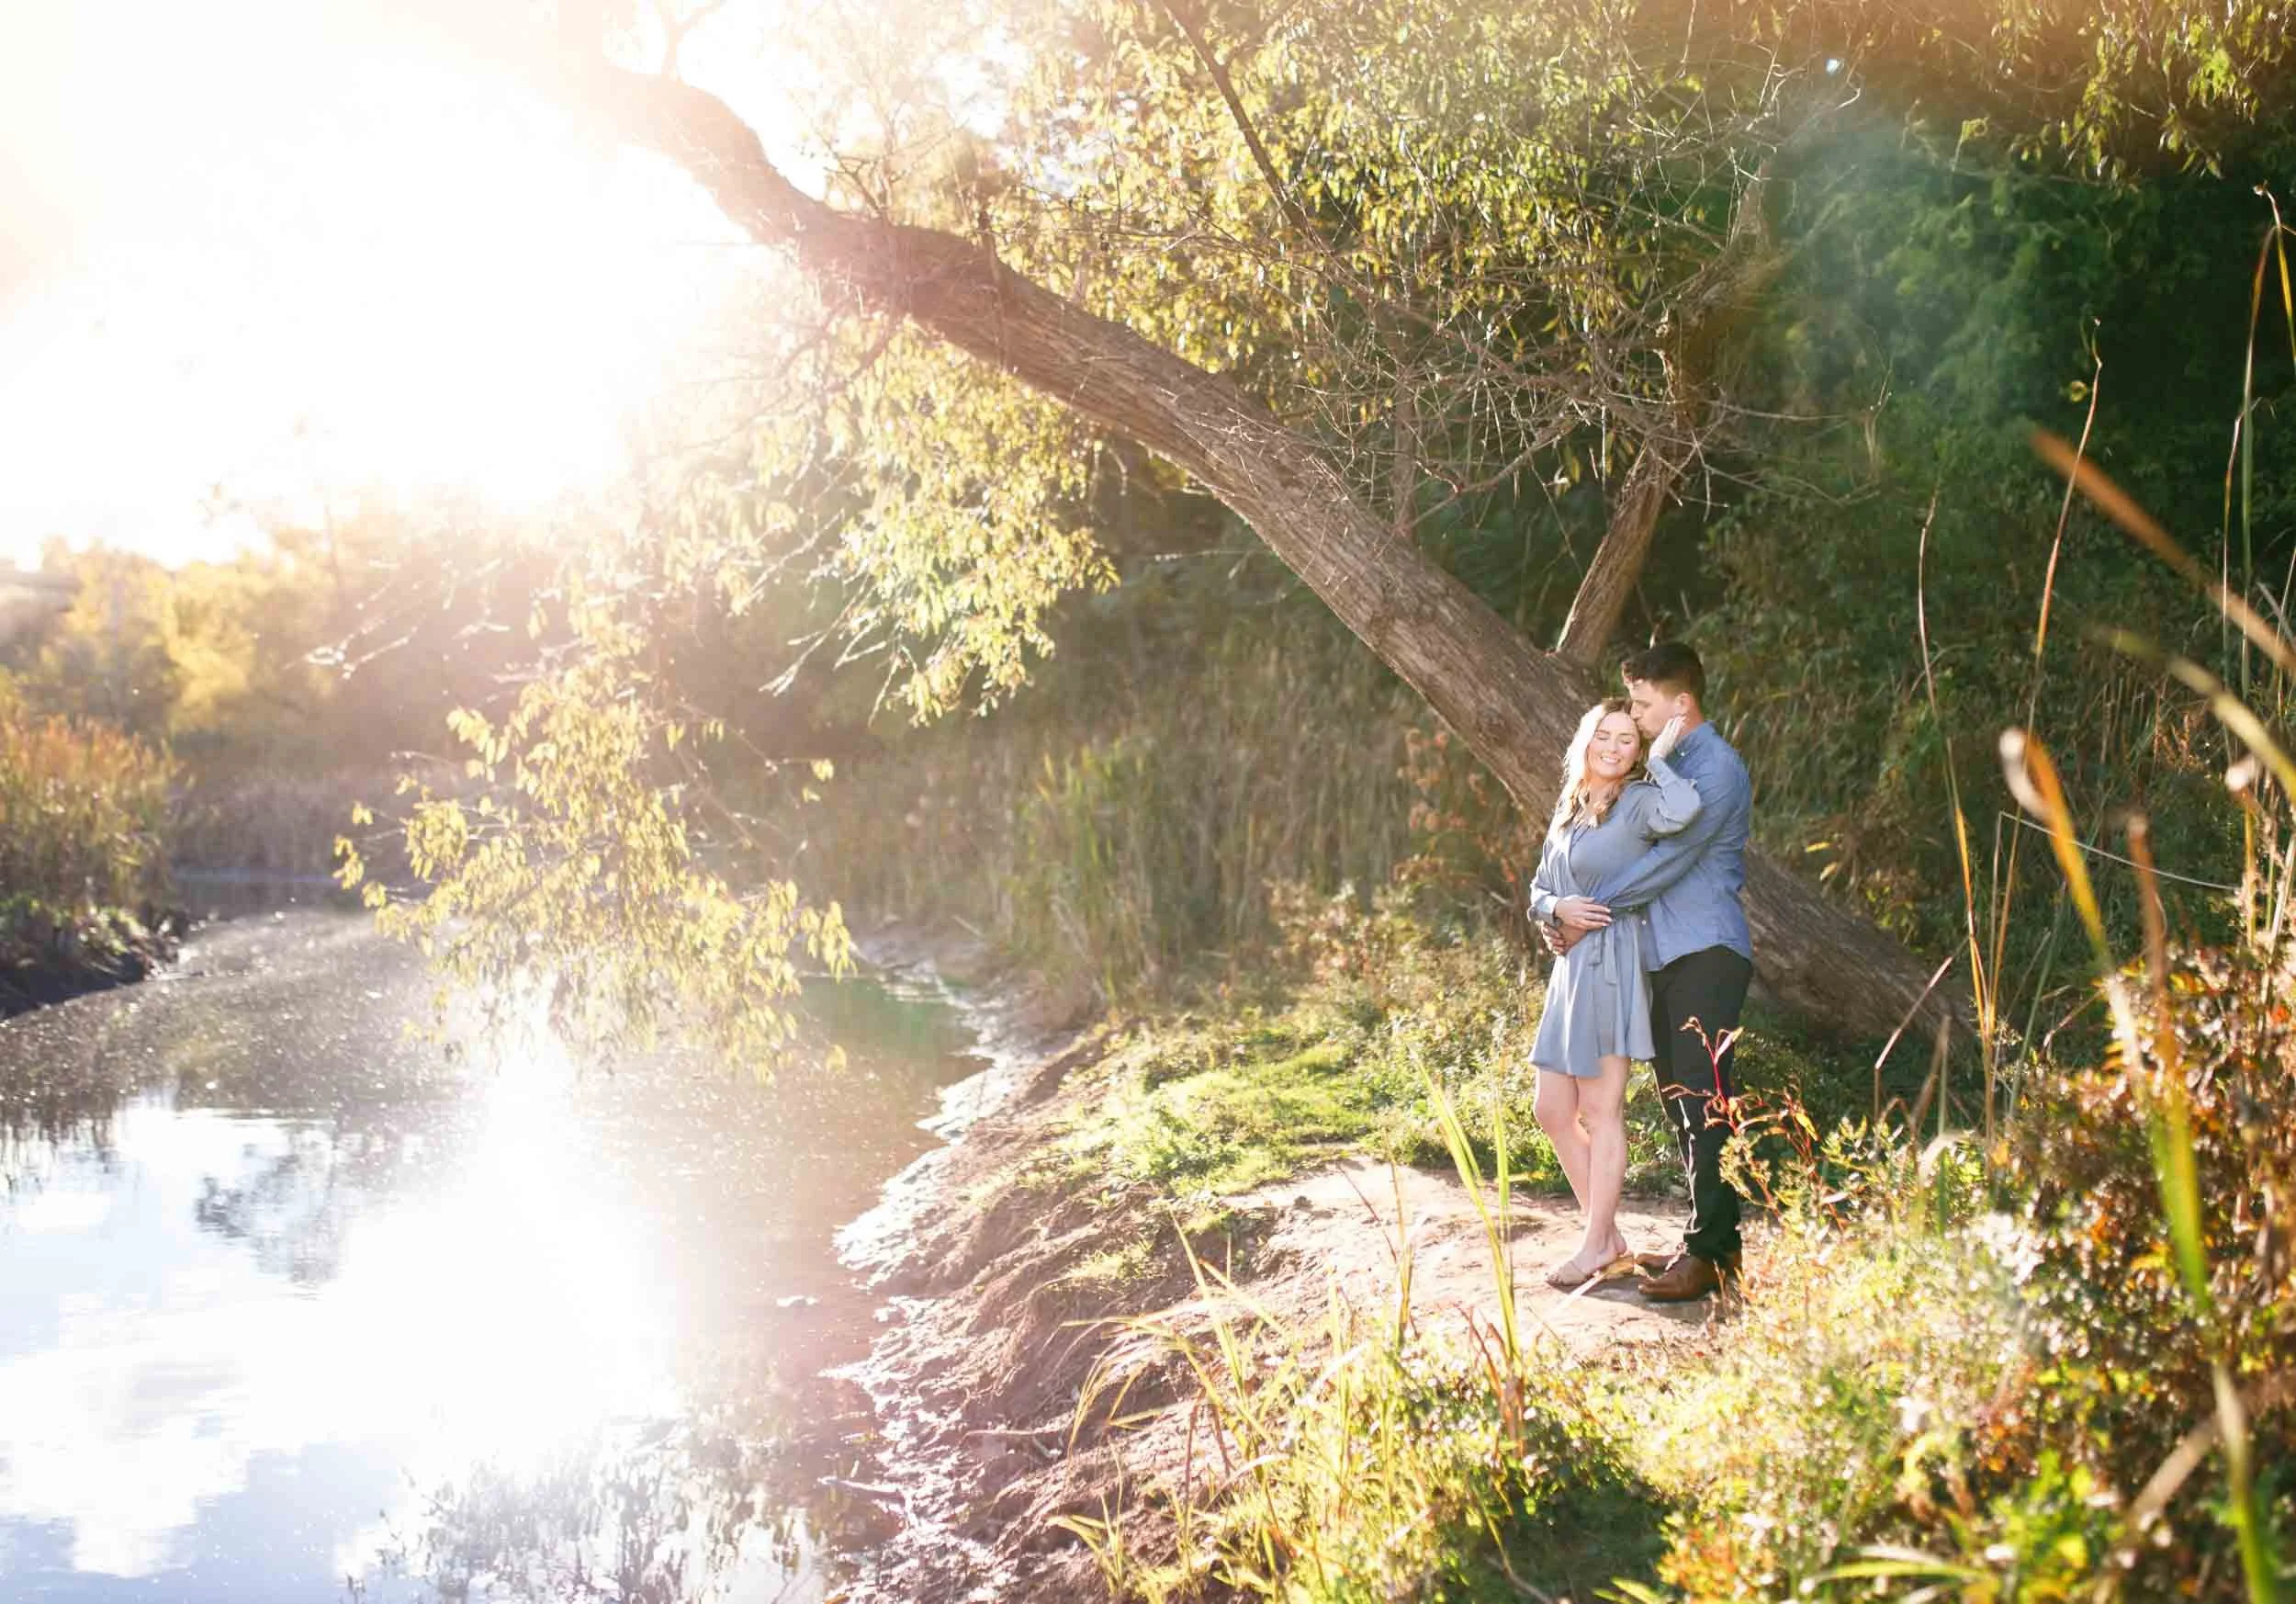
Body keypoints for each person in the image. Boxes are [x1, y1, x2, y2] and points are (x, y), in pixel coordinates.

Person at [1541, 643, 1752, 1304]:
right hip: (1657, 956)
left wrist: (1587, 916)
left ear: (1680, 705)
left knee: (1703, 1098)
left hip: (1705, 951)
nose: (1632, 714)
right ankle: (1705, 1243)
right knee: (1681, 1102)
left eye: (1642, 703)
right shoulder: (1663, 763)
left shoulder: (1714, 767)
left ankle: (1713, 1255)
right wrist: (1558, 906)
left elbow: (1668, 863)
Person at [1525, 696, 1701, 1289]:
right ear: (1586, 739)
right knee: (1551, 1109)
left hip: (1610, 962)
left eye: (1628, 739)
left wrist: (1666, 760)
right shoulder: (1570, 805)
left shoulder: (1641, 801)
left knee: (1601, 1112)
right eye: (1605, 734)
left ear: (1637, 752)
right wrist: (1555, 908)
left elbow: (1686, 809)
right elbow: (1540, 887)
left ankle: (1596, 1242)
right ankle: (1606, 1236)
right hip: (1569, 970)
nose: (1614, 746)